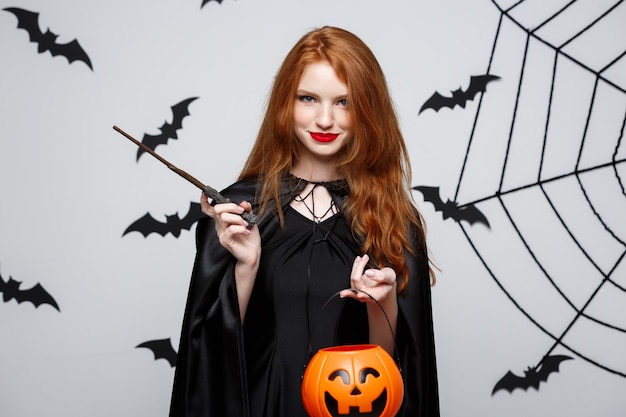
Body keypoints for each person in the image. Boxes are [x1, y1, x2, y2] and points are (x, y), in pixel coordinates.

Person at [169, 26, 439, 417]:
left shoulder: (391, 216)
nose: (325, 119)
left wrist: (384, 307)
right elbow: (210, 364)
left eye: (344, 102)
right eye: (308, 99)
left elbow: (394, 377)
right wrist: (245, 268)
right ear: (285, 103)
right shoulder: (241, 210)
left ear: (368, 109)